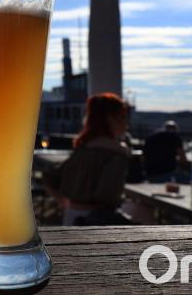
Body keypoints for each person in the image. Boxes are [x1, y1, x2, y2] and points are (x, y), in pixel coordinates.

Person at [46, 93, 130, 226]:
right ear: (111, 119)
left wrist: (63, 201)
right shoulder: (117, 153)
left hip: (70, 217)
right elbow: (106, 196)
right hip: (96, 222)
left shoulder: (83, 148)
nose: (126, 123)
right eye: (123, 117)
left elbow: (50, 179)